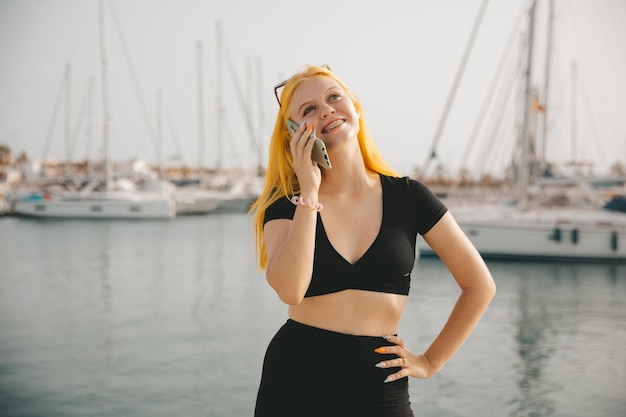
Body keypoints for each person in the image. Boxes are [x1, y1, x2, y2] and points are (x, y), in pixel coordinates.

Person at [250, 65, 496, 417]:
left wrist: (429, 361)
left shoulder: (409, 197)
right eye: (308, 110)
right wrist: (309, 191)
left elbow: (479, 285)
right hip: (295, 378)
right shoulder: (286, 205)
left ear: (355, 107)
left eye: (334, 97)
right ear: (294, 133)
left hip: (379, 381)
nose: (326, 110)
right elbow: (291, 290)